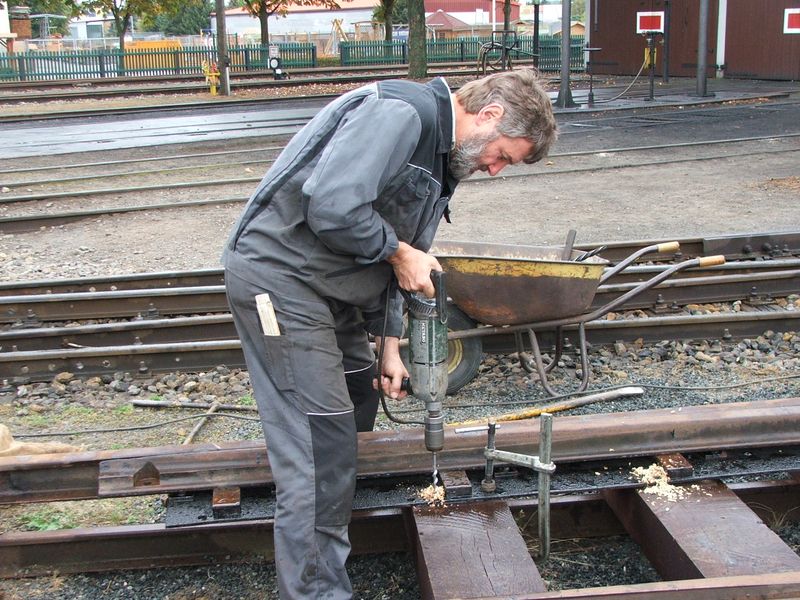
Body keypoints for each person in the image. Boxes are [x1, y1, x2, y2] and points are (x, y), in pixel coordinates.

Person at [222, 68, 557, 599]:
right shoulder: (401, 113)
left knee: (357, 393)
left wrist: (388, 344)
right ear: (488, 116)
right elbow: (333, 205)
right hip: (281, 280)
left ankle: (329, 528)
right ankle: (315, 590)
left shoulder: (443, 156)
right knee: (320, 443)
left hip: (327, 287)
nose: (495, 170)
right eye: (503, 156)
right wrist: (401, 253)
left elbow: (390, 252)